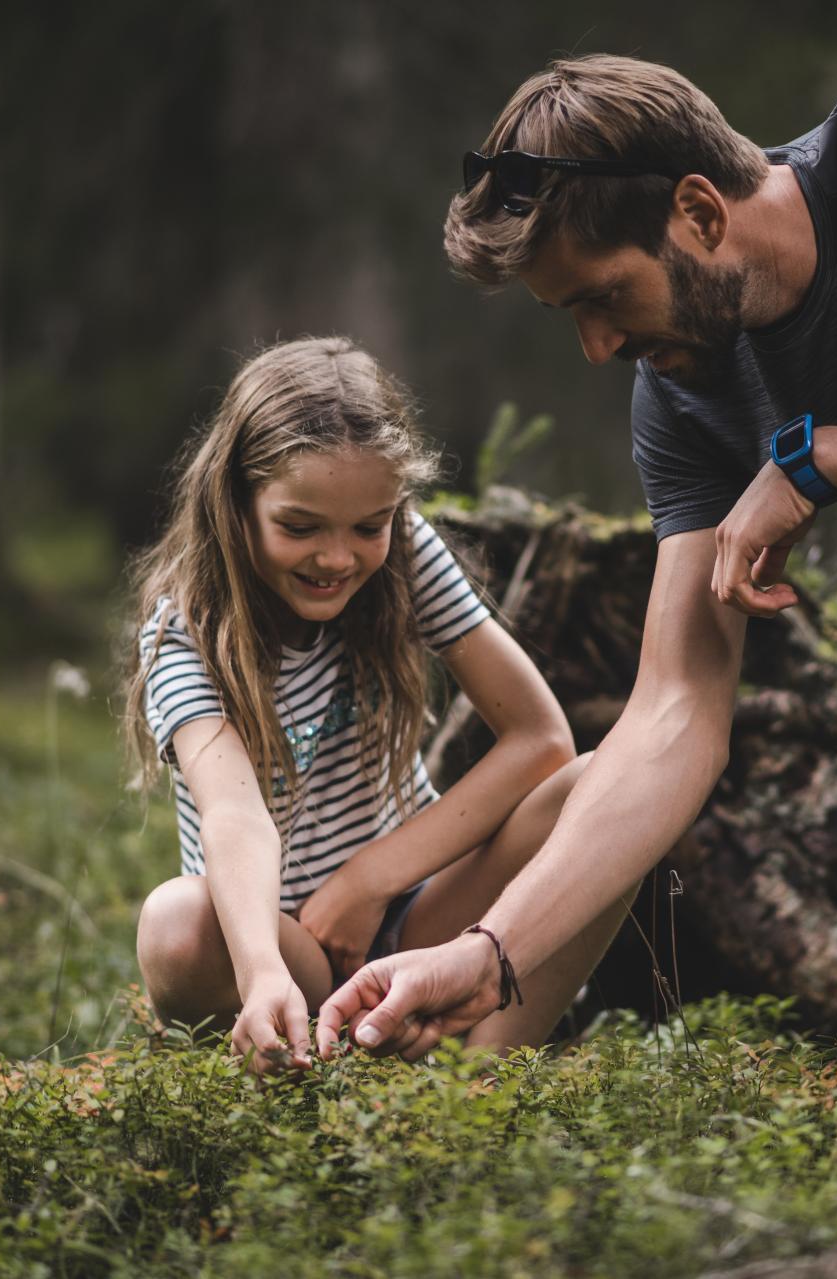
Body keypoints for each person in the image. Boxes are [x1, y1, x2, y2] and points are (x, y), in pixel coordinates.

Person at [316, 54, 837, 1058]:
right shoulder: (684, 395)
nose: (597, 348)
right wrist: (489, 949)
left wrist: (821, 457)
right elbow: (673, 713)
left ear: (698, 211)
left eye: (602, 297)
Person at [122, 336, 626, 1072]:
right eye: (300, 527)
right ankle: (303, 1043)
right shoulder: (182, 634)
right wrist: (263, 967)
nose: (338, 557)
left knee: (606, 787)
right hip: (294, 947)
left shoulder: (405, 552)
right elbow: (234, 817)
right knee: (175, 922)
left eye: (369, 526)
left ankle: (475, 1086)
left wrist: (367, 881)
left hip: (424, 914)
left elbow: (539, 739)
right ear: (235, 502)